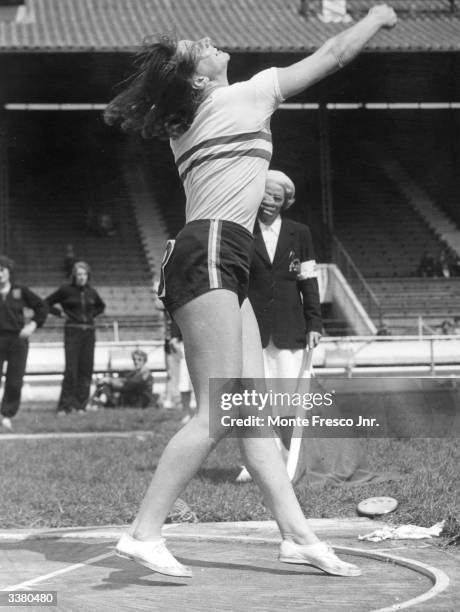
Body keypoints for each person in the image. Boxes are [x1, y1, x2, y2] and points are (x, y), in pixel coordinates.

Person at [104, 4, 397, 579]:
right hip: (213, 248)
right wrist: (379, 16)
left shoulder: (193, 118)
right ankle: (143, 533)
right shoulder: (247, 94)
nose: (209, 40)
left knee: (250, 409)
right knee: (217, 410)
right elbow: (334, 55)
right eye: (199, 48)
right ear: (196, 78)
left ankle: (297, 535)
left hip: (217, 252)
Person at [237, 170, 322, 482]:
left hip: (290, 329)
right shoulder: (243, 231)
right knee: (256, 400)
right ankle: (258, 463)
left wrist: (314, 323)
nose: (269, 201)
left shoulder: (300, 233)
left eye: (276, 196)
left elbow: (309, 281)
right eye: (265, 194)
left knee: (287, 399)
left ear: (287, 201)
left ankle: (290, 459)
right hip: (251, 330)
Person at [45, 261, 105, 414]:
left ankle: (80, 406)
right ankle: (64, 406)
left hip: (89, 332)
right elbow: (45, 303)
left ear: (88, 276)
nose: (82, 277)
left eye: (84, 274)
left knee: (86, 369)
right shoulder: (66, 290)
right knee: (71, 369)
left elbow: (101, 306)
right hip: (73, 332)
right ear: (74, 276)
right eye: (79, 274)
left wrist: (92, 316)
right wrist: (60, 313)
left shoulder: (92, 291)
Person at [0, 255, 47, 429]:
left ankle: (6, 414)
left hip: (17, 340)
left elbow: (42, 307)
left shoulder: (19, 290)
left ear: (9, 272)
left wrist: (32, 325)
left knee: (14, 380)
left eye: (2, 270)